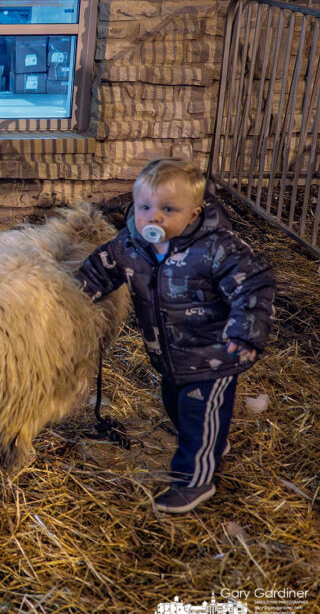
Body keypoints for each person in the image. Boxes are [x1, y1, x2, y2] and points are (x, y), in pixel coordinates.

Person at [77, 158, 275, 513]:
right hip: (168, 356)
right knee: (178, 407)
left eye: (169, 209)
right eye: (145, 207)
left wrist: (246, 332)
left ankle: (194, 480)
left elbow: (254, 286)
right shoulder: (132, 245)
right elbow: (99, 270)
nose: (154, 218)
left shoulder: (216, 249)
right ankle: (209, 443)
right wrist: (74, 296)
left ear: (194, 212)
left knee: (199, 413)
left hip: (214, 356)